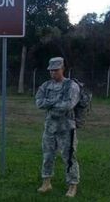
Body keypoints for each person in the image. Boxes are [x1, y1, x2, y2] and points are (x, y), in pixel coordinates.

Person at [35, 57, 80, 197]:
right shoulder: (46, 85)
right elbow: (38, 102)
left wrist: (49, 103)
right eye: (51, 70)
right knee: (47, 155)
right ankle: (46, 182)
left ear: (62, 69)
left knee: (69, 157)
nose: (53, 72)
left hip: (66, 128)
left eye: (56, 70)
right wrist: (55, 102)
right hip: (50, 127)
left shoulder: (71, 86)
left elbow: (68, 105)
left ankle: (72, 185)